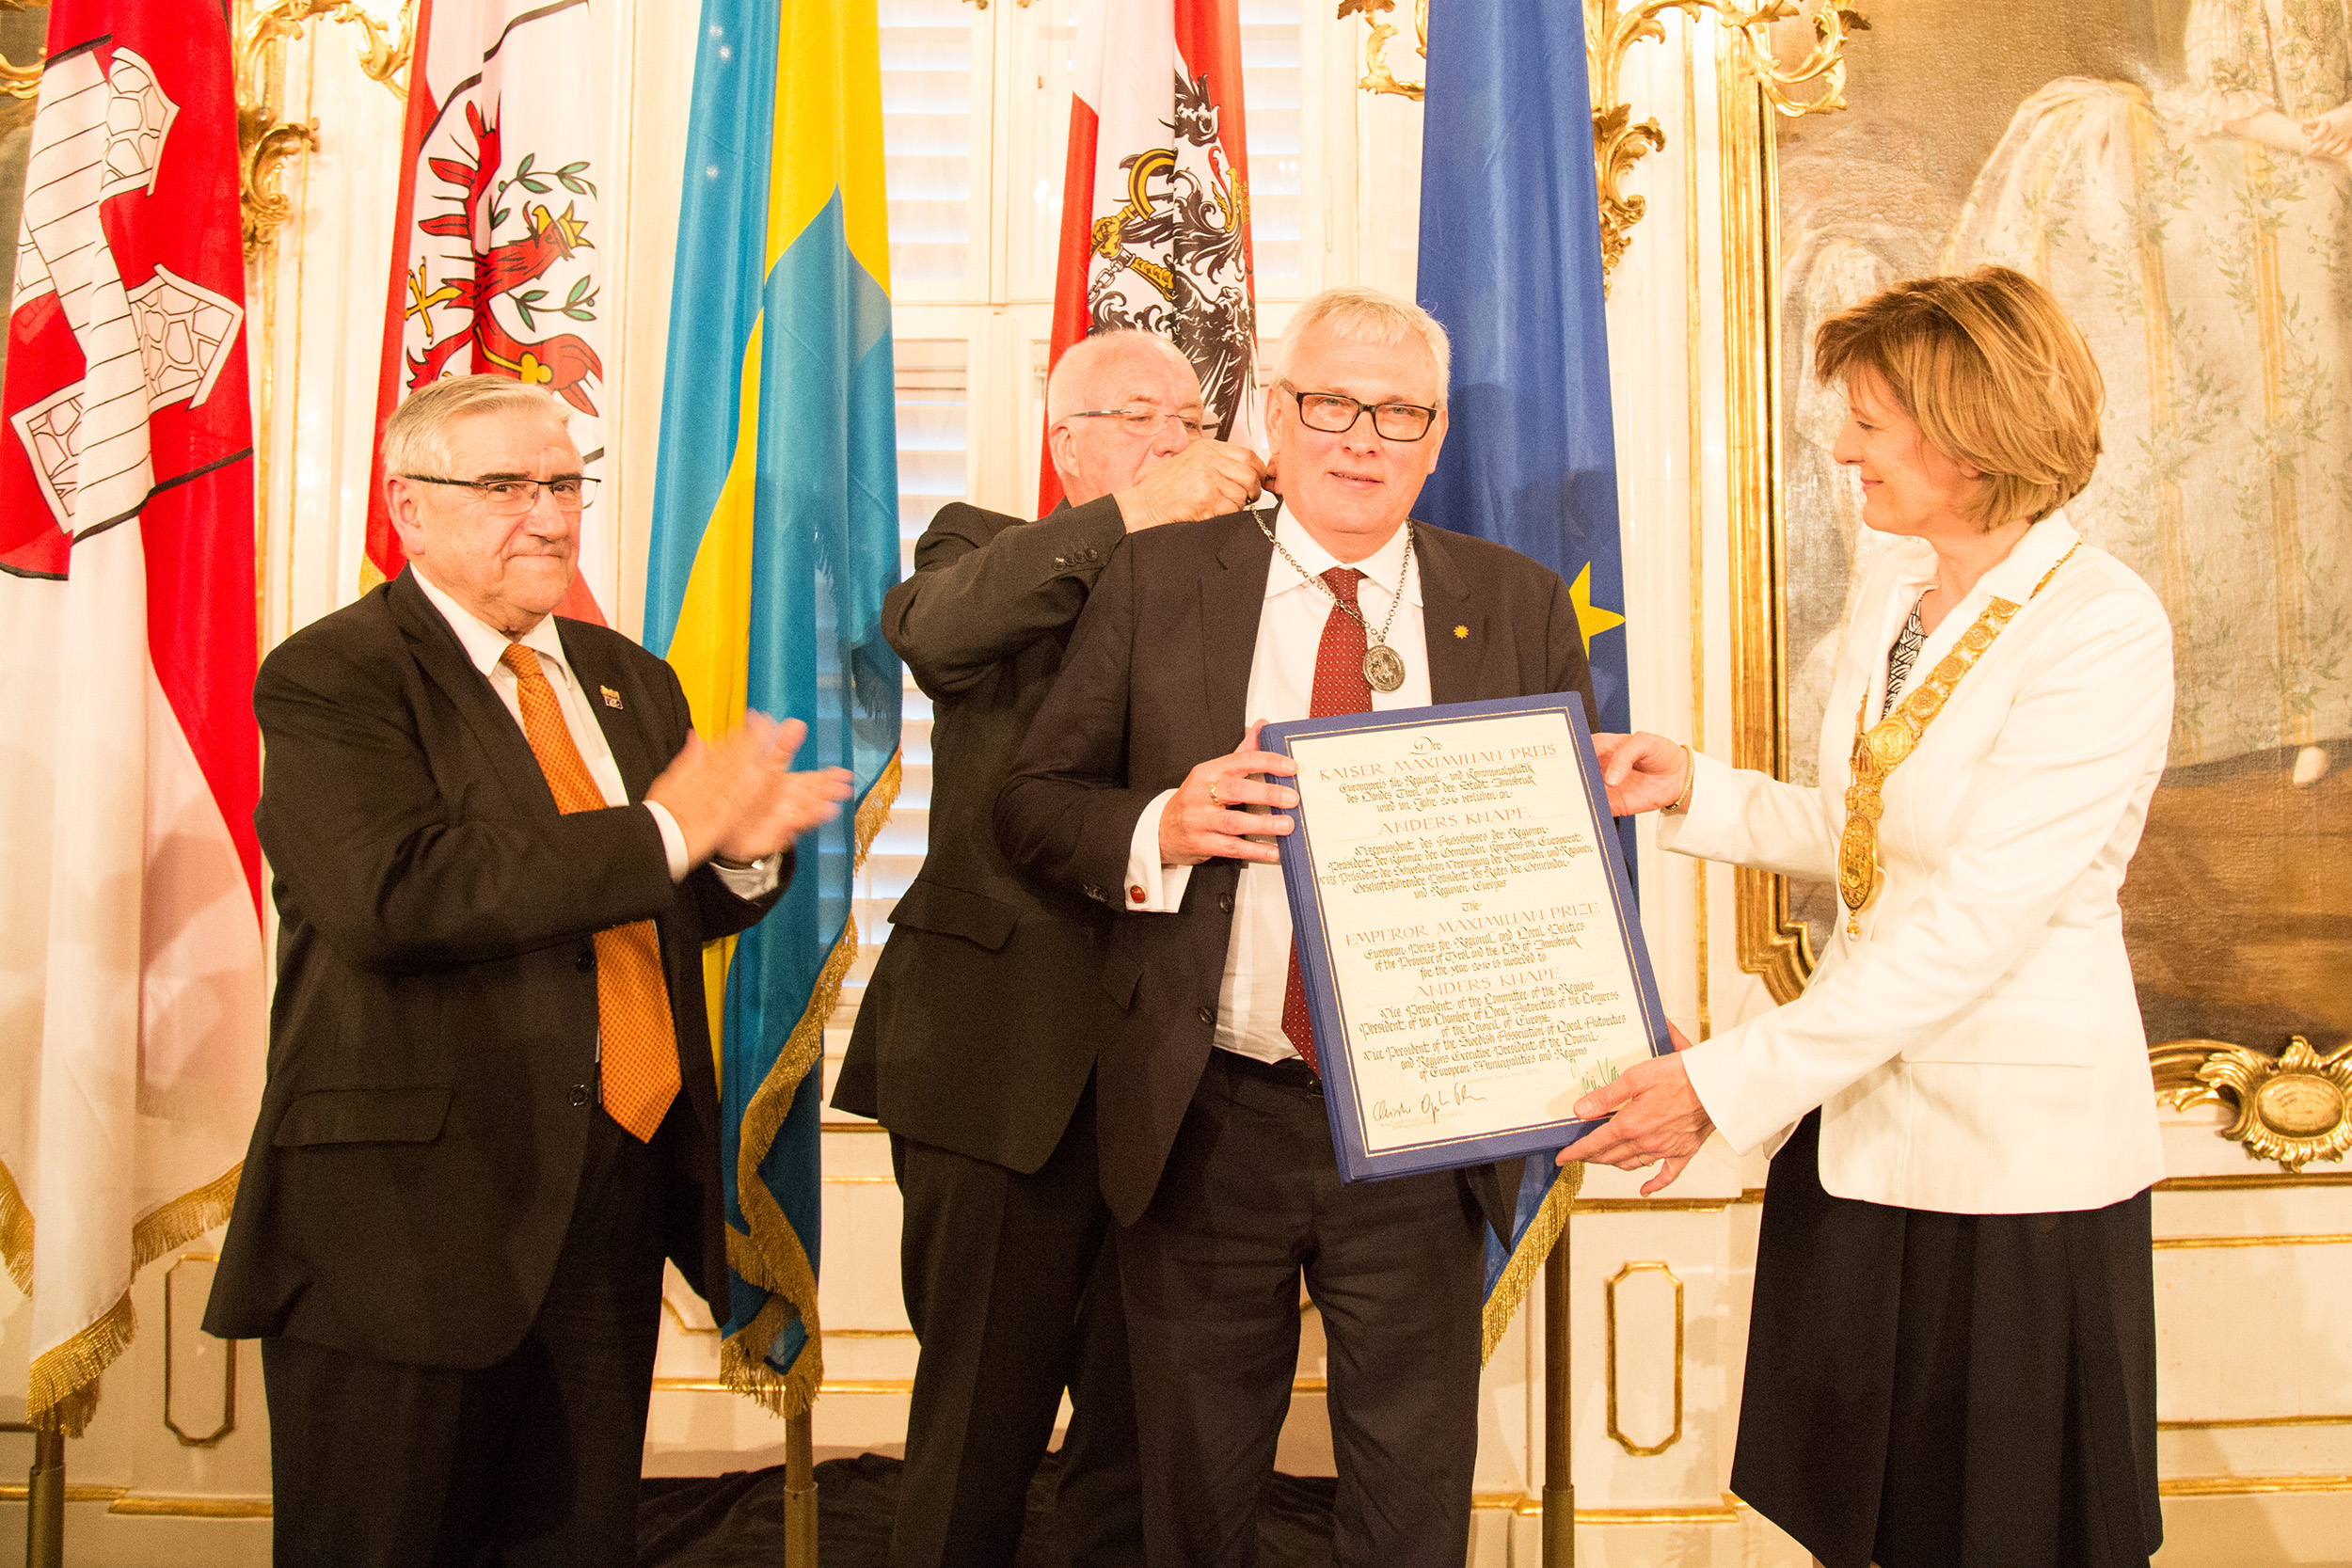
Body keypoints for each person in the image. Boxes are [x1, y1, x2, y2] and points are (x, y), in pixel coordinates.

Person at [1566, 267, 2171, 1568]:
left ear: (1975, 426)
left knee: (2004, 1527)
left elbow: (1976, 918)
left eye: (1871, 420)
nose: (1842, 445)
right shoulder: (1899, 593)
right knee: (1872, 1516)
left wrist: (1715, 1084)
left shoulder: (2102, 627)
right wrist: (1702, 790)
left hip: (2011, 1173)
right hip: (1860, 1131)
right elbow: (1875, 841)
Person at [203, 375, 853, 1568]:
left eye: (564, 483)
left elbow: (646, 901)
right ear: (409, 504)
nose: (549, 515)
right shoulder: (335, 674)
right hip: (405, 1228)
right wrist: (667, 831)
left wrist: (739, 859)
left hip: (606, 1200)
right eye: (505, 486)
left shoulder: (626, 677)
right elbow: (395, 895)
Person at [996, 286, 1597, 1566]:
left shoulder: (1520, 602)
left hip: (1427, 1125)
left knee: (1412, 1488)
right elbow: (1034, 805)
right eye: (1329, 403)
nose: (1361, 438)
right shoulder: (1159, 579)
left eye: (1398, 413)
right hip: (1210, 1110)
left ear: (1436, 439)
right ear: (1275, 415)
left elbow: (1567, 858)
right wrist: (1166, 819)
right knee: (1195, 1494)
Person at [831, 328, 1263, 1567]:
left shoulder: (1245, 582)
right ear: (1065, 441)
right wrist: (1136, 510)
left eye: (1190, 417)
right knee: (977, 1423)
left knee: (1142, 1436)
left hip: (1177, 1070)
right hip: (996, 1060)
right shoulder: (982, 547)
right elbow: (934, 629)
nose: (1176, 438)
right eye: (1139, 416)